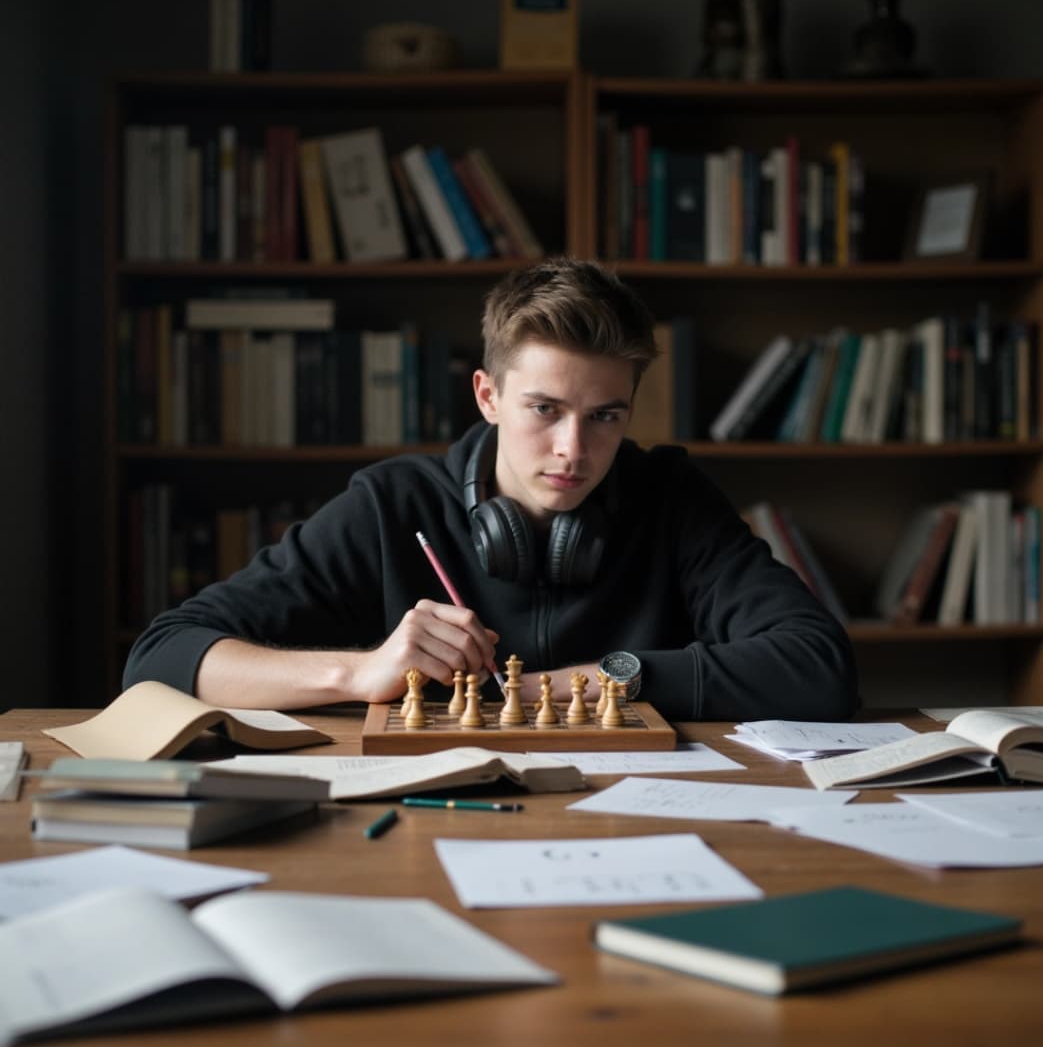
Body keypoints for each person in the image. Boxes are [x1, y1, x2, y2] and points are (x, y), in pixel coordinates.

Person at [124, 258, 857, 721]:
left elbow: (819, 666)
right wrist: (362, 670)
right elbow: (160, 658)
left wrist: (604, 681)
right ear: (487, 395)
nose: (574, 450)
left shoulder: (670, 495)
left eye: (606, 416)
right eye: (545, 409)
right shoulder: (391, 504)